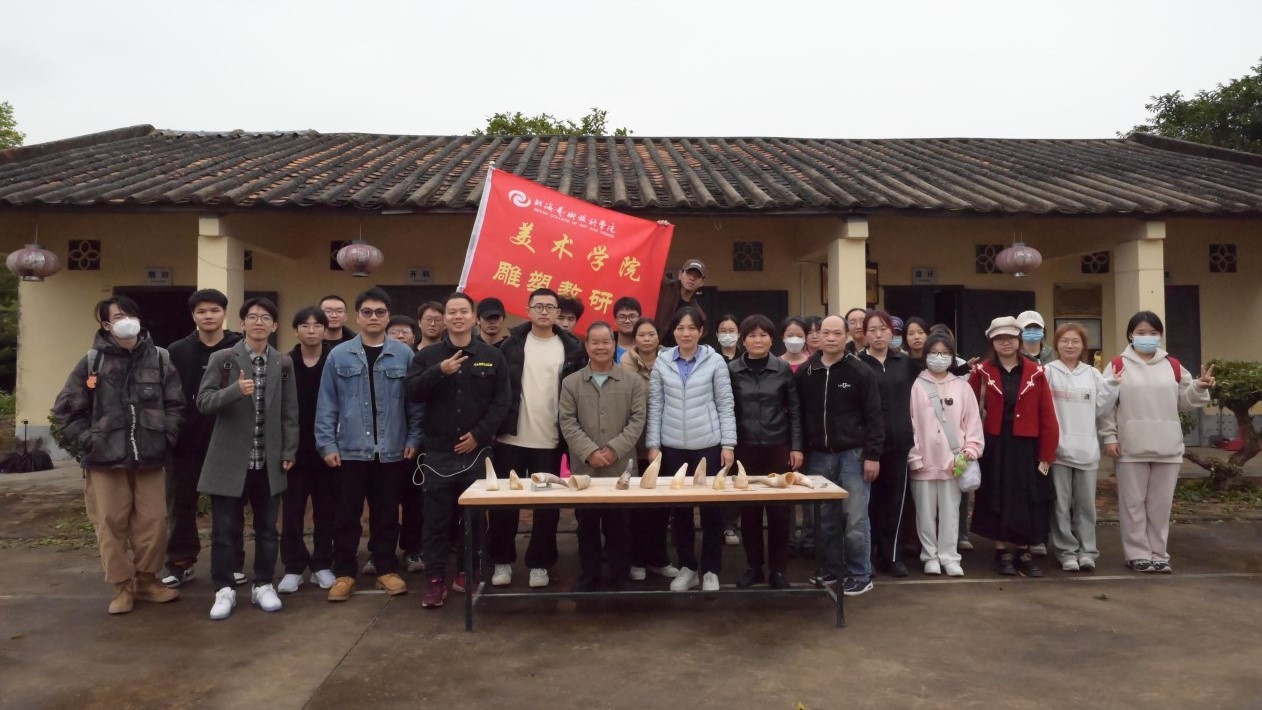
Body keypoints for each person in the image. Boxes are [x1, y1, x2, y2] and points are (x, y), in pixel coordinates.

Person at [51, 297, 184, 615]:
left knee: (153, 521)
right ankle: (123, 587)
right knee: (110, 524)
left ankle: (147, 581)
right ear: (106, 325)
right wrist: (89, 442)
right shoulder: (92, 361)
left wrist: (166, 436)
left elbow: (176, 404)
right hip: (105, 461)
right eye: (120, 316)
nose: (128, 321)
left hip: (150, 458)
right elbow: (65, 411)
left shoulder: (160, 358)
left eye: (132, 315)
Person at [316, 288, 424, 602]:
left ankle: (385, 569)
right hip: (349, 450)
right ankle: (344, 573)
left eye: (380, 312)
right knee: (347, 515)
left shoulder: (404, 354)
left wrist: (414, 438)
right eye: (367, 312)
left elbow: (415, 404)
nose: (373, 317)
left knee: (387, 514)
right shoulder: (339, 355)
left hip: (392, 449)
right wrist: (327, 444)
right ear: (358, 316)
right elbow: (327, 404)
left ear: (388, 317)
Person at [406, 292, 511, 608]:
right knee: (436, 522)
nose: (457, 317)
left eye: (463, 311)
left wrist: (479, 435)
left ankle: (468, 572)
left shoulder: (492, 356)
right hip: (438, 454)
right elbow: (411, 391)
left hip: (477, 452)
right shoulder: (428, 356)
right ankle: (435, 580)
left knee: (475, 519)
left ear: (473, 317)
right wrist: (440, 370)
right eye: (451, 312)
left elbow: (502, 401)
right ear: (444, 318)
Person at [196, 298, 299, 620]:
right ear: (241, 324)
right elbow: (203, 402)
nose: (258, 322)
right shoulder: (223, 359)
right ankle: (224, 588)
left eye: (265, 317)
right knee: (225, 530)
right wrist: (234, 391)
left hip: (267, 460)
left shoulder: (282, 362)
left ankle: (263, 585)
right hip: (230, 460)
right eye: (252, 317)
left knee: (267, 529)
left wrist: (289, 450)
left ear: (274, 325)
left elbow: (289, 412)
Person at [1100, 311, 1214, 573]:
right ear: (1130, 335)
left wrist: (1200, 387)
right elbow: (1106, 405)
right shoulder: (1118, 364)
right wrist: (1109, 436)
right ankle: (1137, 553)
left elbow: (1185, 400)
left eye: (1153, 333)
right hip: (1130, 446)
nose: (1147, 337)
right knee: (1132, 504)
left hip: (1167, 446)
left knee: (1160, 506)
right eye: (1141, 332)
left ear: (1160, 335)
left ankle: (1159, 553)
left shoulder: (1172, 365)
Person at [488, 288, 586, 589]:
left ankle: (540, 563)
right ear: (527, 310)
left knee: (546, 508)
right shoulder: (511, 345)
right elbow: (498, 389)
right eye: (538, 306)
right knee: (504, 506)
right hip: (511, 439)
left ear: (557, 313)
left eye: (550, 307)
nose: (544, 312)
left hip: (550, 442)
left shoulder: (572, 348)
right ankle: (502, 561)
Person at [646, 307, 736, 592]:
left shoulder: (715, 361)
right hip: (672, 447)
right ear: (673, 331)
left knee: (711, 512)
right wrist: (653, 445)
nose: (685, 333)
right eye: (680, 328)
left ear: (701, 331)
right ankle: (687, 568)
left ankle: (710, 570)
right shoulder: (663, 361)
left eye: (691, 328)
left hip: (708, 445)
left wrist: (728, 444)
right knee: (681, 512)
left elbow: (725, 403)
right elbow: (655, 405)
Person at [162, 288, 246, 589]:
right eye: (201, 311)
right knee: (181, 507)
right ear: (193, 316)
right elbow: (168, 394)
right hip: (185, 442)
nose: (208, 316)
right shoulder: (177, 351)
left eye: (214, 310)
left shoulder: (240, 346)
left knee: (230, 506)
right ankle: (180, 562)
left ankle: (232, 563)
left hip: (228, 440)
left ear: (225, 313)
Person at [797, 314, 884, 596]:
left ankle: (860, 572)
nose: (831, 338)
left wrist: (872, 455)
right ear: (817, 336)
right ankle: (832, 568)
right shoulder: (807, 372)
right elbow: (799, 415)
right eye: (825, 333)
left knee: (855, 517)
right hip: (818, 456)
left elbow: (874, 416)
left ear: (846, 336)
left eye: (837, 333)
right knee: (824, 517)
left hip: (853, 455)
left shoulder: (860, 372)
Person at [968, 316, 1060, 577]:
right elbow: (969, 410)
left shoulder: (1036, 372)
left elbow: (1047, 413)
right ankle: (1001, 551)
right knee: (995, 495)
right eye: (999, 338)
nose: (1005, 342)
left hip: (1026, 445)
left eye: (1010, 337)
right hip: (994, 445)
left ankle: (1024, 550)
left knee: (1026, 497)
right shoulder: (981, 372)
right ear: (992, 342)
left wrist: (1047, 451)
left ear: (1018, 340)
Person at [559, 321, 647, 591]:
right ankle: (589, 574)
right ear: (586, 346)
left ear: (614, 344)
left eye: (606, 342)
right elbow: (567, 422)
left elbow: (637, 420)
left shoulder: (632, 381)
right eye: (594, 342)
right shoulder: (571, 382)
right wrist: (590, 452)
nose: (600, 347)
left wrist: (614, 449)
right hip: (585, 469)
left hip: (620, 468)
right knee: (586, 525)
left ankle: (620, 574)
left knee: (619, 525)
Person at [729, 314, 802, 589]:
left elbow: (795, 411)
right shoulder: (732, 370)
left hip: (777, 447)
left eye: (763, 335)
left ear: (772, 339)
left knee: (779, 512)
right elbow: (726, 409)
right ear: (743, 340)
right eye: (751, 335)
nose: (757, 340)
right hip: (744, 449)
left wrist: (796, 447)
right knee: (749, 512)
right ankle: (754, 567)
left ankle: (778, 570)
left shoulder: (782, 369)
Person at [907, 332, 983, 577]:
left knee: (951, 512)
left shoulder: (962, 387)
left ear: (952, 356)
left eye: (944, 353)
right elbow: (909, 423)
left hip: (954, 462)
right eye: (934, 353)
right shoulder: (915, 385)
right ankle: (929, 556)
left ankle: (950, 557)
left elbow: (973, 423)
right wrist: (914, 456)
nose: (939, 357)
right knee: (925, 513)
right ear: (925, 354)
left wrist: (969, 452)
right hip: (923, 461)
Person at [1045, 323, 1118, 573]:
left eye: (1075, 341)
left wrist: (1113, 386)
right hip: (1058, 452)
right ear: (1056, 345)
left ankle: (1087, 551)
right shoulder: (1048, 372)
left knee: (1086, 506)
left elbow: (1101, 409)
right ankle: (1066, 552)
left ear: (1084, 346)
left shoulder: (1092, 374)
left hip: (1086, 451)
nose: (1070, 345)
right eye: (1064, 340)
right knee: (1060, 505)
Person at [278, 307, 338, 593]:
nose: (311, 330)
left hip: (329, 449)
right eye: (305, 325)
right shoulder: (284, 363)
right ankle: (293, 567)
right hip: (293, 451)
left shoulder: (335, 361)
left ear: (326, 330)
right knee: (292, 511)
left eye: (317, 325)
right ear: (296, 330)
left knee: (327, 511)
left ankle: (322, 564)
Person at [857, 311, 917, 578]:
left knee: (894, 503)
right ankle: (866, 557)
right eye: (872, 330)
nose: (878, 334)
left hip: (899, 444)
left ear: (892, 332)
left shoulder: (905, 363)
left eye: (883, 329)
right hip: (867, 446)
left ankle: (891, 556)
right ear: (864, 334)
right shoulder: (857, 364)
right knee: (868, 504)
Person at [621, 317, 678, 581]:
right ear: (634, 339)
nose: (647, 339)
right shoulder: (624, 365)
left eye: (651, 334)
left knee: (661, 507)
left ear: (658, 337)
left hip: (665, 443)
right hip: (635, 446)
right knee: (637, 508)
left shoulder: (671, 361)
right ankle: (636, 560)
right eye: (641, 335)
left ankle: (659, 559)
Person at [388, 314, 425, 573]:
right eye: (395, 332)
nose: (400, 336)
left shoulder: (419, 361)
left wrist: (415, 437)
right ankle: (382, 552)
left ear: (414, 337)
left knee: (414, 502)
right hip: (384, 445)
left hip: (414, 445)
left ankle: (413, 549)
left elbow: (418, 406)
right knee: (385, 503)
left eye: (406, 332)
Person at [654, 259, 707, 347]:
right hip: (652, 347)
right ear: (680, 274)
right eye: (689, 273)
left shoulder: (699, 314)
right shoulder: (665, 288)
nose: (692, 278)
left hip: (678, 352)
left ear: (702, 282)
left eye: (697, 276)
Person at [612, 296, 642, 363]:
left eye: (632, 316)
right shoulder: (606, 346)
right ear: (615, 320)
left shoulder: (648, 346)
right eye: (622, 317)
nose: (627, 321)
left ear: (639, 319)